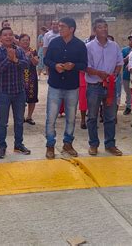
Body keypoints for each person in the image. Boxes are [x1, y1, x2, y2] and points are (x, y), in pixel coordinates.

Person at [43, 17, 88, 159]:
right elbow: (46, 60)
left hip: (71, 87)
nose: (59, 28)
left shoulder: (80, 45)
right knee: (51, 117)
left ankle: (67, 143)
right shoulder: (54, 42)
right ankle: (50, 145)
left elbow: (84, 64)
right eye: (59, 26)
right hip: (55, 85)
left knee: (71, 117)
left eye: (62, 26)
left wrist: (73, 66)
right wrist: (55, 65)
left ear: (71, 29)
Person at [85, 18, 123, 156]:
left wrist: (114, 74)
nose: (104, 29)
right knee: (92, 117)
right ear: (95, 30)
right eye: (100, 27)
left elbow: (119, 62)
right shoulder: (88, 47)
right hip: (94, 86)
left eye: (106, 26)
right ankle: (93, 144)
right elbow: (86, 67)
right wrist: (99, 73)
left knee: (111, 117)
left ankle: (110, 144)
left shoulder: (114, 46)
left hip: (111, 86)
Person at [0, 27, 31, 159]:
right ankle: (2, 146)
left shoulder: (19, 50)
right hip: (3, 91)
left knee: (19, 120)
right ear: (1, 38)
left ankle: (18, 144)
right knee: (3, 121)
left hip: (19, 91)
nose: (8, 37)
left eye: (10, 35)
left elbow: (26, 65)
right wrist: (9, 59)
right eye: (5, 35)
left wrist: (15, 59)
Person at [18, 34, 39, 125]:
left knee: (32, 97)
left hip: (31, 77)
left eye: (27, 40)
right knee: (20, 98)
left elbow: (36, 63)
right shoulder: (17, 51)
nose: (25, 42)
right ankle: (21, 116)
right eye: (23, 40)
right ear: (19, 41)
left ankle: (29, 117)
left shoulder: (33, 51)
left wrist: (30, 57)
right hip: (19, 77)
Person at [122, 34, 132, 115]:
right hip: (126, 74)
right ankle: (128, 106)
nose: (131, 41)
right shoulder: (124, 50)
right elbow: (122, 61)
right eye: (130, 40)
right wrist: (129, 55)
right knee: (128, 92)